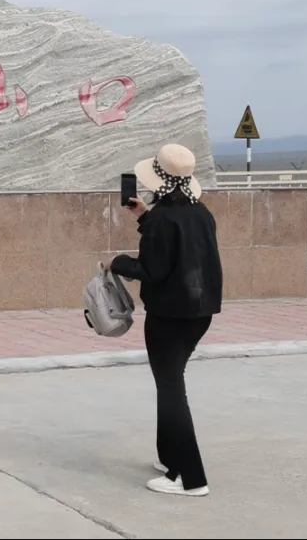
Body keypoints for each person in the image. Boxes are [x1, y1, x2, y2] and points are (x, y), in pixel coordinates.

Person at [106, 143, 223, 497]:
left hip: (168, 316)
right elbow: (177, 245)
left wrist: (117, 263)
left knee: (171, 388)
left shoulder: (163, 219)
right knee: (170, 382)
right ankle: (170, 456)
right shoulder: (200, 212)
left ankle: (189, 477)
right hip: (199, 312)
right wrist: (145, 217)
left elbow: (152, 269)